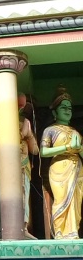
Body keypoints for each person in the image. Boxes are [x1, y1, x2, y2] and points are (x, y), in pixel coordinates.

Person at [40, 87, 83, 239]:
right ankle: (59, 231)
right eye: (63, 107)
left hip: (77, 169)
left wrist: (78, 149)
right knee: (61, 199)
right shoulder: (50, 130)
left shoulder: (75, 132)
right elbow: (43, 152)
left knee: (75, 202)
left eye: (69, 108)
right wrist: (67, 147)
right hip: (59, 168)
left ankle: (72, 231)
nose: (67, 110)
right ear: (54, 112)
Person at [18, 95, 39, 238]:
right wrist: (21, 134)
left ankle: (24, 227)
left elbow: (35, 150)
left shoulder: (25, 123)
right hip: (10, 167)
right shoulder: (1, 122)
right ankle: (14, 228)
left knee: (25, 196)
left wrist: (29, 134)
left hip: (24, 166)